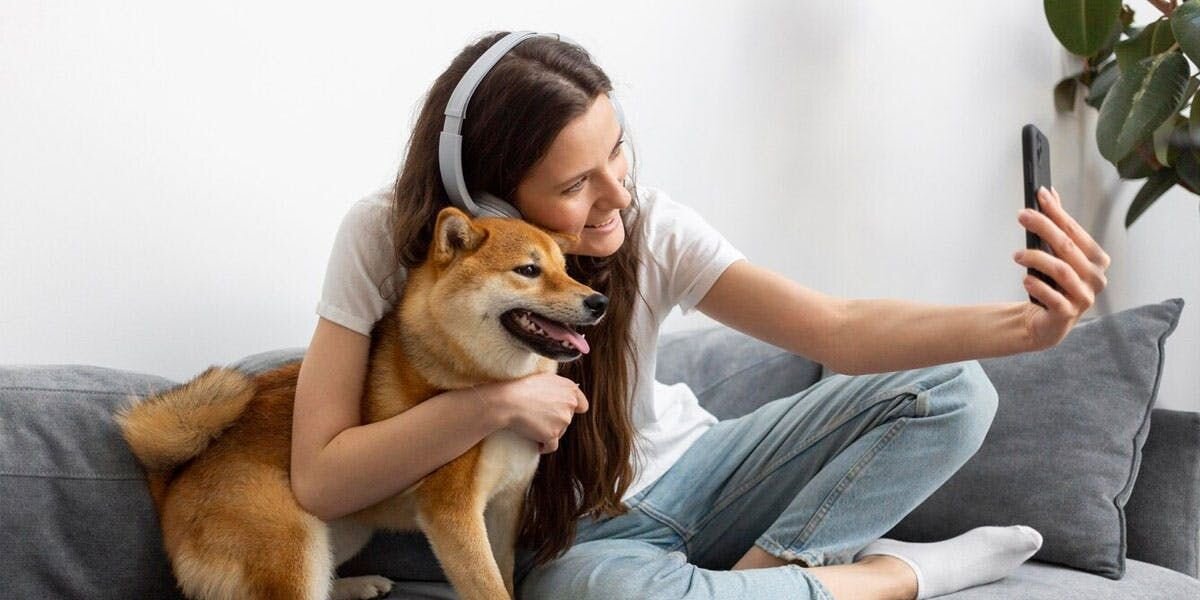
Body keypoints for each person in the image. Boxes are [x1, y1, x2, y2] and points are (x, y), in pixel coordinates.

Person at [290, 31, 1111, 600]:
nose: (618, 197)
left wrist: (1026, 330)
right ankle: (901, 577)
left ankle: (761, 583)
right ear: (490, 204)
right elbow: (322, 477)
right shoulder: (382, 236)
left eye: (617, 150)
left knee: (956, 391)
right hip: (584, 539)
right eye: (575, 185)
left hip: (707, 470)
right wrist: (494, 405)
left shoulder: (655, 226)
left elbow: (837, 328)